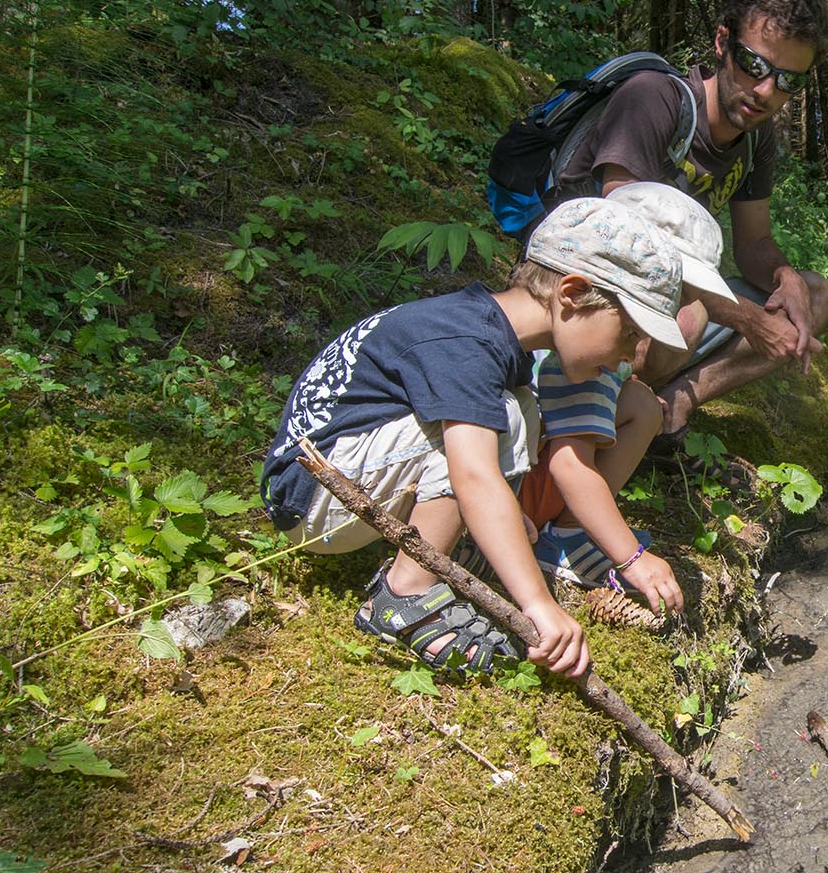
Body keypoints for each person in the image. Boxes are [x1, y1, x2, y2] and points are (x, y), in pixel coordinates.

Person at [259, 198, 686, 676]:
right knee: (497, 419)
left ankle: (449, 555)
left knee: (516, 409)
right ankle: (403, 596)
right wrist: (538, 604)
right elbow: (475, 476)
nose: (629, 356)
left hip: (354, 479)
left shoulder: (494, 339)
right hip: (313, 498)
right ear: (572, 292)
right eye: (628, 333)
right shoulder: (465, 342)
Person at [552, 0, 828, 443]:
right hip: (590, 300)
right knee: (691, 314)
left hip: (669, 308)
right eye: (755, 64)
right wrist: (749, 320)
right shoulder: (652, 98)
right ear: (722, 42)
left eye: (789, 80)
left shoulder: (755, 138)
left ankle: (674, 403)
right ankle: (612, 414)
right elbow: (623, 249)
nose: (767, 91)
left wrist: (786, 280)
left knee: (815, 294)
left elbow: (755, 244)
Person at [457, 183, 734, 616]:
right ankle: (565, 536)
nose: (676, 303)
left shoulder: (575, 333)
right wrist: (631, 557)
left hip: (515, 481)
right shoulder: (584, 357)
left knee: (641, 404)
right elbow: (570, 464)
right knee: (640, 407)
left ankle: (565, 532)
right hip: (509, 492)